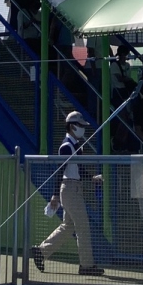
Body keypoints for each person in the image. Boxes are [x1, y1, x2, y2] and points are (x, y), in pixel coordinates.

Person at [30, 112, 103, 276]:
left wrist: (91, 178)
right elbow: (60, 171)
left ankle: (41, 251)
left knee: (68, 226)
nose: (83, 129)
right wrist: (55, 195)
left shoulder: (75, 146)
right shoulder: (66, 146)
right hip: (70, 189)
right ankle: (86, 265)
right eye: (80, 126)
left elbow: (78, 169)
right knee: (83, 226)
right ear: (72, 126)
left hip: (73, 188)